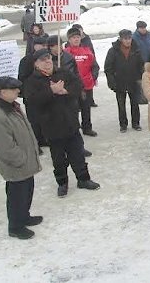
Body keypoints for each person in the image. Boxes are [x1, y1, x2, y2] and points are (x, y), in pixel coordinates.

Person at [24, 49, 100, 197]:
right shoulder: (32, 81)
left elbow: (78, 85)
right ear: (36, 65)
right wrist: (51, 90)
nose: (47, 63)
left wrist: (66, 91)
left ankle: (83, 179)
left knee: (78, 154)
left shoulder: (63, 73)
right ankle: (62, 183)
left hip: (70, 123)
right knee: (58, 159)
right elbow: (32, 101)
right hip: (51, 127)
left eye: (48, 59)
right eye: (43, 60)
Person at [0, 76, 42, 240]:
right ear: (2, 92)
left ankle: (24, 216)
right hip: (17, 164)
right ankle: (16, 226)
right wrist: (22, 159)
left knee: (26, 191)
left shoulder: (12, 106)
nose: (18, 91)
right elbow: (6, 148)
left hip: (25, 162)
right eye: (14, 89)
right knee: (17, 195)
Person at [104, 29, 145, 132]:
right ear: (121, 39)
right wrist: (111, 81)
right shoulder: (113, 50)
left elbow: (141, 64)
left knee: (135, 103)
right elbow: (108, 68)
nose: (128, 41)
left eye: (129, 38)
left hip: (133, 80)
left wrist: (141, 77)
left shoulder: (136, 49)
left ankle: (136, 123)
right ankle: (123, 124)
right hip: (119, 81)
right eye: (125, 39)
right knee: (121, 105)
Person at [64, 27, 99, 137]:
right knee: (72, 109)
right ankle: (73, 129)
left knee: (86, 108)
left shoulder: (87, 50)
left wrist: (92, 77)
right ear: (69, 39)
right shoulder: (65, 53)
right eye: (73, 37)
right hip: (72, 86)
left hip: (86, 85)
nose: (76, 39)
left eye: (78, 37)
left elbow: (95, 66)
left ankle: (87, 128)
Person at [18, 36, 49, 152]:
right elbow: (22, 78)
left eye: (45, 45)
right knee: (33, 121)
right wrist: (24, 93)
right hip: (31, 94)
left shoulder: (47, 59)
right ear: (35, 46)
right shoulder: (26, 60)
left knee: (43, 118)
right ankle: (35, 143)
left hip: (44, 93)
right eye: (41, 45)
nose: (44, 48)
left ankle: (43, 139)